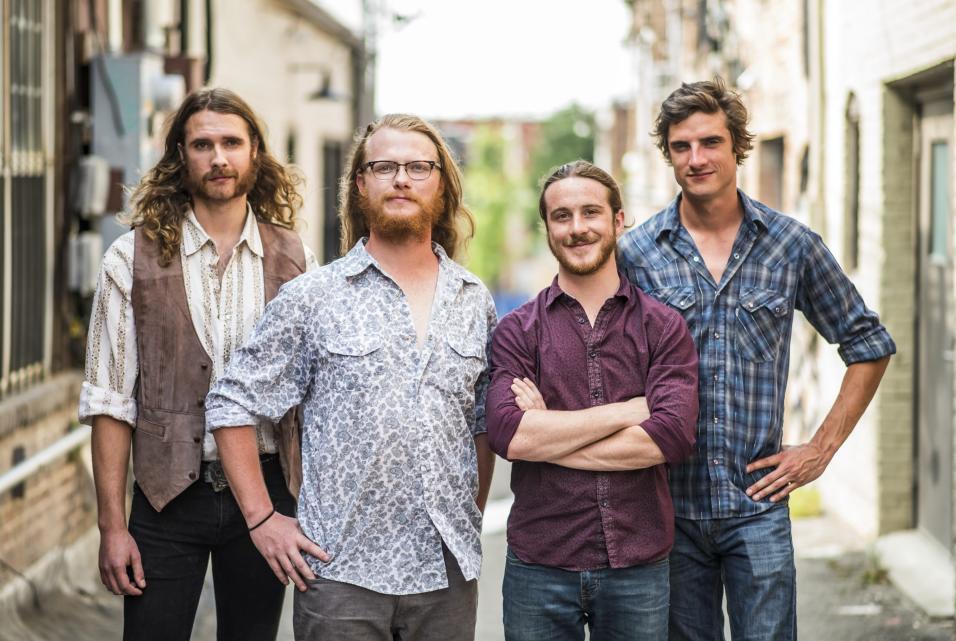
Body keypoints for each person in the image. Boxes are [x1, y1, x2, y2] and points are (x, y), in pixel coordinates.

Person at [618, 78, 897, 641]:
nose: (697, 159)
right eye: (681, 147)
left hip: (757, 505)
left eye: (710, 142)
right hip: (667, 508)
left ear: (737, 145)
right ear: (668, 155)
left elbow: (868, 344)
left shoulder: (791, 245)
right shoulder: (637, 253)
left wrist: (820, 450)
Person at [205, 113, 497, 641]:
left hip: (448, 576)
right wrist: (262, 519)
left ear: (441, 184)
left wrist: (469, 519)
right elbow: (231, 403)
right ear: (361, 184)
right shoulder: (314, 297)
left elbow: (481, 421)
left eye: (418, 167)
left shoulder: (474, 300)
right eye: (384, 166)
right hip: (340, 575)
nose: (401, 179)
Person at [80, 87, 318, 641]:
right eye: (202, 144)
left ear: (255, 151)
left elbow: (317, 396)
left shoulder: (296, 258)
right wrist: (111, 526)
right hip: (166, 499)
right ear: (180, 157)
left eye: (231, 143)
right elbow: (110, 403)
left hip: (265, 493)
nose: (219, 158)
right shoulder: (130, 257)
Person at [485, 160, 699, 641]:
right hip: (540, 564)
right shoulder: (518, 331)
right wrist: (630, 410)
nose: (577, 228)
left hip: (638, 566)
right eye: (562, 216)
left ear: (618, 220)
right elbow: (508, 435)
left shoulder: (663, 327)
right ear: (547, 228)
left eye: (590, 213)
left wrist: (549, 434)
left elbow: (670, 437)